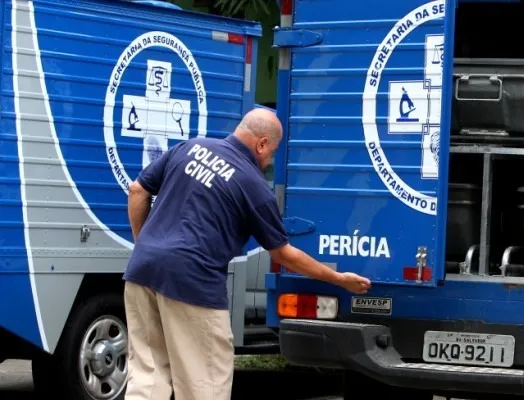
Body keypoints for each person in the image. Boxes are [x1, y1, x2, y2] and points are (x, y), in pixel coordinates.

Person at [122, 108, 371, 400]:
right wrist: (338, 278)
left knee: (147, 381)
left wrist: (146, 247)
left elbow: (137, 190)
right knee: (205, 385)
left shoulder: (190, 147)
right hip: (193, 284)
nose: (267, 162)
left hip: (141, 273)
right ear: (262, 143)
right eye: (271, 153)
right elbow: (283, 254)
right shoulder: (253, 185)